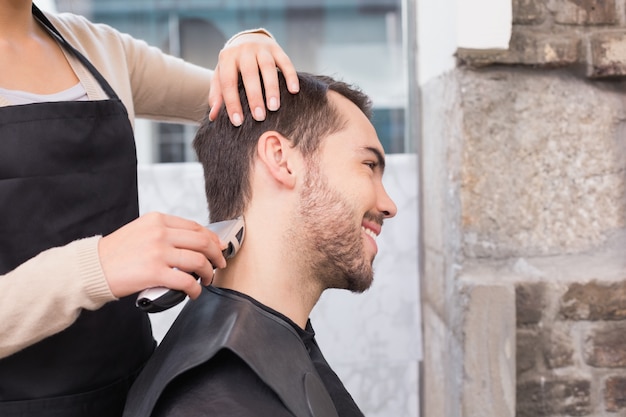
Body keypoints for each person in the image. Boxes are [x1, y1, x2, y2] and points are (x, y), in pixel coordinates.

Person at [0, 1, 299, 416]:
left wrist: (248, 44)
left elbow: (246, 102)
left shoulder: (97, 48)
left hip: (134, 393)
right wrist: (95, 266)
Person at [123, 71, 398, 417]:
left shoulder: (253, 341)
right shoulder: (218, 398)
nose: (389, 205)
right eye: (368, 165)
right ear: (281, 159)